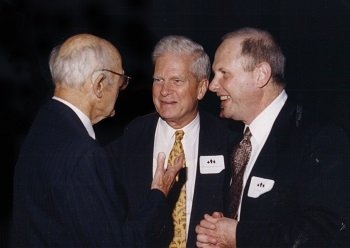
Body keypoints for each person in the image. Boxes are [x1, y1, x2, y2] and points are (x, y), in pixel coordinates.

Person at [10, 33, 184, 247]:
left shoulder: (45, 125)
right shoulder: (84, 154)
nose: (121, 92)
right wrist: (159, 193)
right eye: (121, 82)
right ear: (99, 84)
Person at [195, 27, 350, 247]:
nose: (212, 85)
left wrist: (239, 235)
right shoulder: (234, 139)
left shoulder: (320, 139)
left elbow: (326, 232)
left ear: (261, 75)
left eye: (224, 73)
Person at [106, 35, 236, 247]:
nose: (164, 91)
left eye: (177, 81)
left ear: (201, 88)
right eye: (158, 80)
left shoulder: (228, 138)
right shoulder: (132, 135)